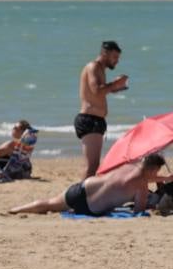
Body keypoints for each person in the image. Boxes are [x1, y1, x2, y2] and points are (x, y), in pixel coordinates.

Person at [9, 153, 169, 216]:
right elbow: (139, 210)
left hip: (83, 187)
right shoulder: (141, 185)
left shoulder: (129, 166)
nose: (157, 174)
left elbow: (138, 179)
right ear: (153, 169)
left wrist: (165, 178)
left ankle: (17, 209)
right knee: (53, 206)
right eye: (157, 171)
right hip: (89, 207)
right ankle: (19, 210)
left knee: (50, 203)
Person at [76, 41, 129, 179]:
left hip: (96, 120)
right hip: (89, 119)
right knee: (91, 166)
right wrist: (115, 84)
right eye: (115, 57)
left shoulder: (100, 69)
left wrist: (116, 88)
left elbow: (99, 92)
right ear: (105, 53)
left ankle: (84, 191)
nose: (117, 61)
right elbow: (97, 91)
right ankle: (81, 192)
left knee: (94, 166)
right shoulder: (93, 66)